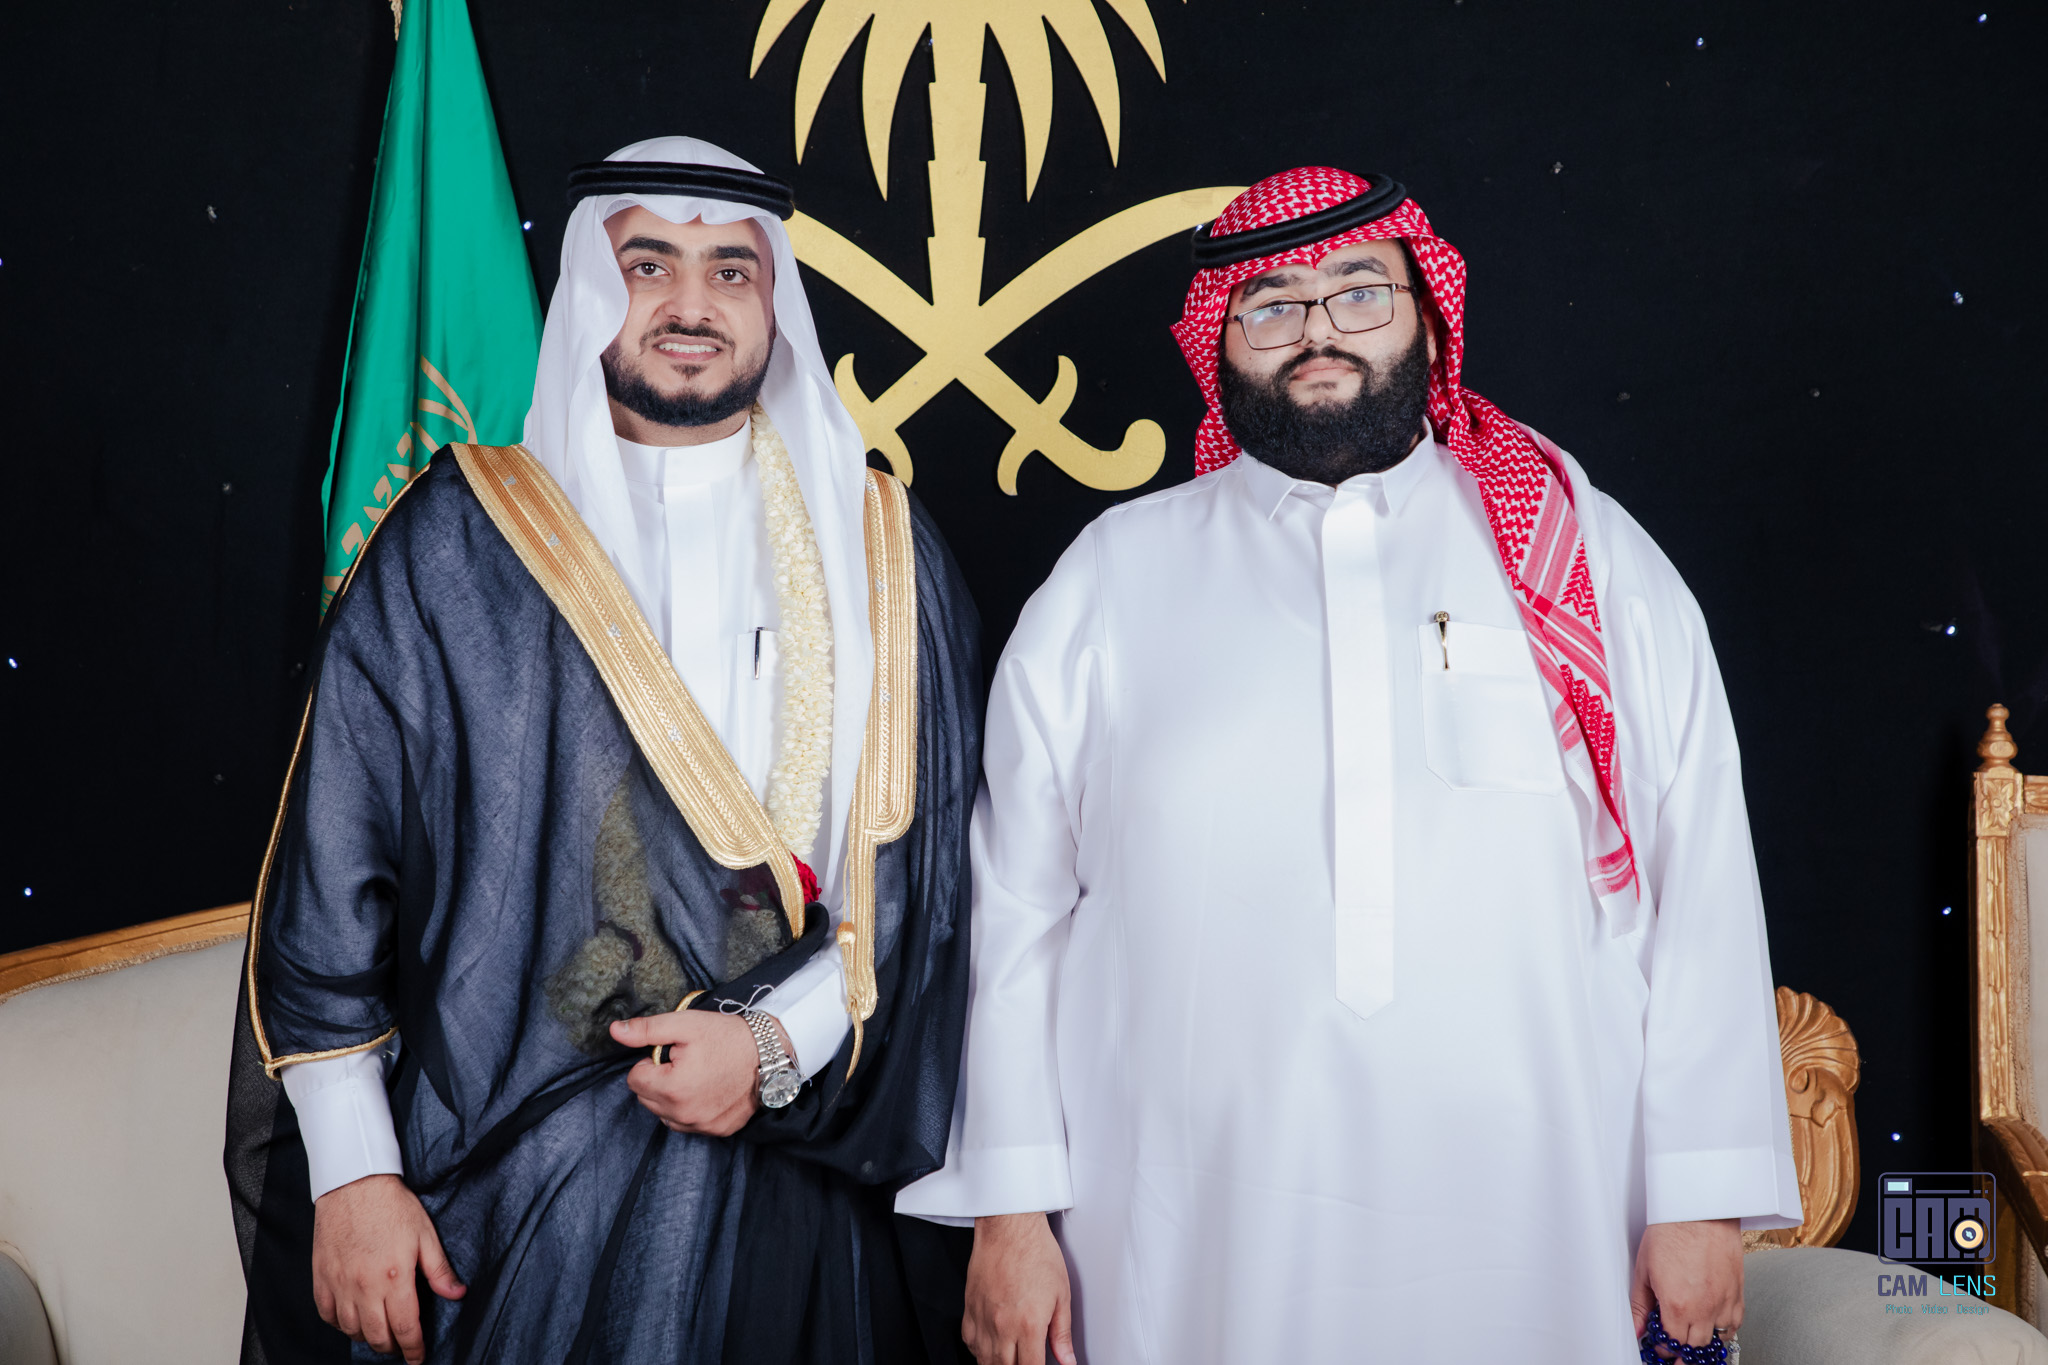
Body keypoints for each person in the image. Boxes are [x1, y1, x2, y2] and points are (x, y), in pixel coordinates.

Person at [897, 166, 1801, 1363]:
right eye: (1271, 304)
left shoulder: (1578, 555)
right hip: (1183, 1225)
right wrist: (1009, 1212)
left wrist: (1699, 1194)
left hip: (1543, 1204)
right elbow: (1014, 913)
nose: (1317, 331)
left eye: (1358, 291)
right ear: (1218, 339)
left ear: (1424, 315)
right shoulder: (1111, 578)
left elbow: (1698, 875)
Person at [225, 136, 982, 1365]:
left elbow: (927, 886)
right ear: (589, 286)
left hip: (800, 1171)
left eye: (730, 270)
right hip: (511, 1185)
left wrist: (773, 1046)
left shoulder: (880, 546)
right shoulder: (457, 544)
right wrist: (353, 1174)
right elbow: (330, 878)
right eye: (649, 265)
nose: (691, 303)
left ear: (773, 302)